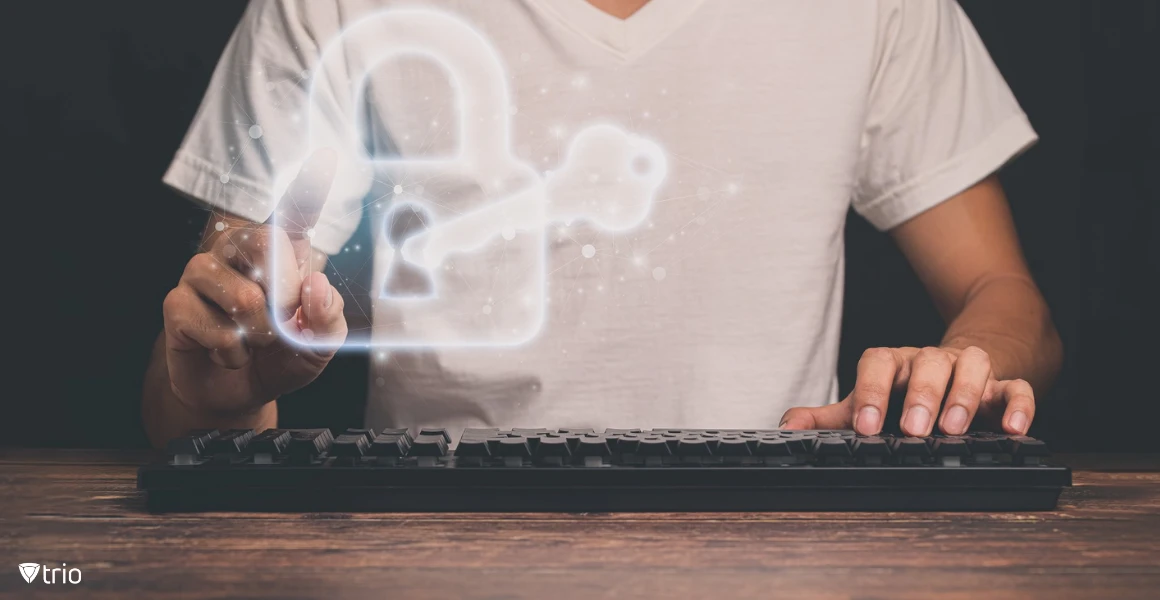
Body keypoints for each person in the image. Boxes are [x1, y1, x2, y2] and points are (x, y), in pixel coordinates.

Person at [142, 0, 1062, 447]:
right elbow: (205, 363)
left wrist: (967, 366)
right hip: (426, 560)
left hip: (783, 558)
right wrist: (217, 392)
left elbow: (1004, 296)